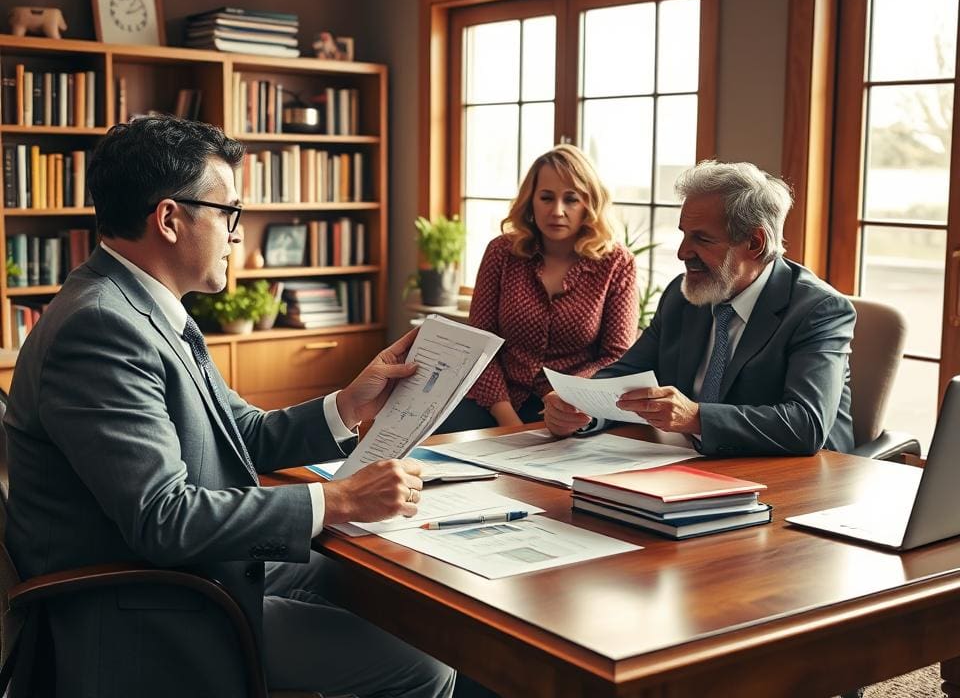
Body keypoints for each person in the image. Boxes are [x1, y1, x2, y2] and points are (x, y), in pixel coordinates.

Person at [3, 116, 456, 698]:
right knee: (423, 668)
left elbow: (237, 430)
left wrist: (347, 404)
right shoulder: (100, 328)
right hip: (149, 608)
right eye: (229, 213)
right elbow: (163, 518)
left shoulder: (142, 305)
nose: (238, 234)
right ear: (168, 219)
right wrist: (339, 499)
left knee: (383, 592)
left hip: (193, 571)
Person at [543, 160, 856, 456]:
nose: (682, 252)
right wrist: (581, 408)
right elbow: (627, 374)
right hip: (692, 466)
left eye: (702, 239)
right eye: (683, 235)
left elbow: (805, 425)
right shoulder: (682, 297)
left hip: (802, 479)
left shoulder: (818, 311)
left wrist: (696, 417)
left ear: (755, 243)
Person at [436, 144, 638, 434]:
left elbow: (615, 355)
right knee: (434, 454)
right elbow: (480, 344)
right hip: (494, 399)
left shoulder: (617, 263)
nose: (557, 211)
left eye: (571, 200)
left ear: (589, 204)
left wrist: (569, 397)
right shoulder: (501, 252)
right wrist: (508, 421)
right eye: (546, 198)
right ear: (530, 201)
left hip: (572, 406)